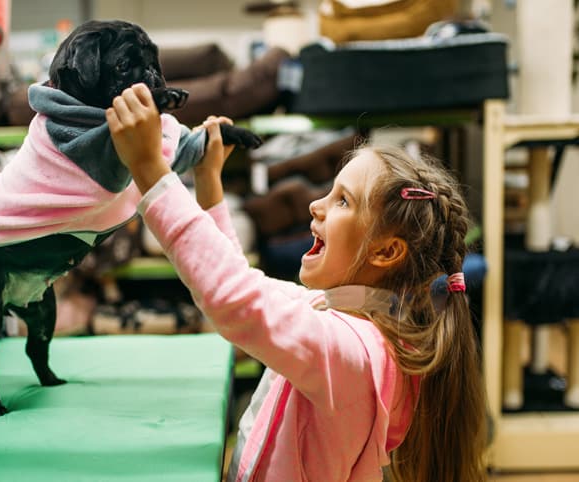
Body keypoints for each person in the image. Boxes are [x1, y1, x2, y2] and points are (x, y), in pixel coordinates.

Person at [106, 83, 487, 482]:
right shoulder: (336, 314)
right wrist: (209, 186)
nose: (315, 205)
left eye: (342, 201)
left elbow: (237, 303)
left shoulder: (354, 352)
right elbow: (244, 284)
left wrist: (151, 170)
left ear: (386, 252)